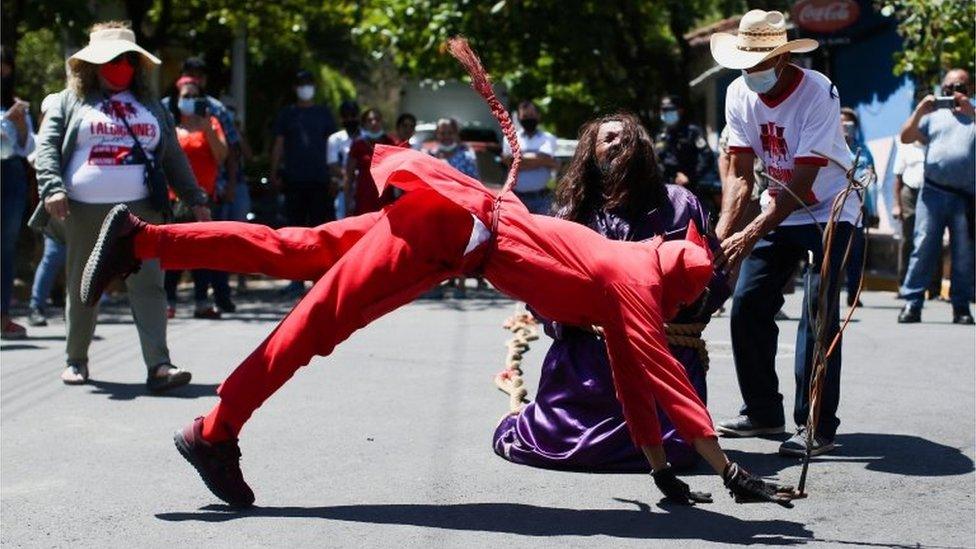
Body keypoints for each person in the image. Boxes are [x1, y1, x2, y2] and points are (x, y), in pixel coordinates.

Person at [82, 39, 797, 510]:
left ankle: (146, 240)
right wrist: (730, 473)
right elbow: (668, 381)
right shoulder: (637, 283)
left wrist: (663, 474)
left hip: (454, 218)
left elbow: (640, 384)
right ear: (679, 280)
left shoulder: (629, 277)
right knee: (314, 324)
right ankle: (214, 428)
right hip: (450, 232)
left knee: (293, 247)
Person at [493, 113, 730, 472]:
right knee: (555, 441)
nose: (618, 143)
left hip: (663, 349)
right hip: (589, 357)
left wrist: (672, 310)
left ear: (643, 149)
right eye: (609, 138)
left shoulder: (680, 204)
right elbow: (543, 286)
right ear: (591, 152)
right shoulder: (572, 212)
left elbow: (710, 278)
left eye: (626, 137)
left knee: (678, 445)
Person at [29, 22, 209, 389]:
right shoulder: (69, 101)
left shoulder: (151, 106)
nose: (121, 66)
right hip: (83, 209)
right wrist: (52, 188)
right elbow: (46, 148)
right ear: (92, 65)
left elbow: (172, 155)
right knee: (84, 286)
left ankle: (160, 366)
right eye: (112, 59)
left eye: (128, 59)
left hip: (142, 211)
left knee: (149, 285)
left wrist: (196, 198)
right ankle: (76, 360)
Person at [709, 10, 856, 457]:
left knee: (818, 315)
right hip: (778, 208)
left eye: (759, 63)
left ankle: (815, 424)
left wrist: (750, 232)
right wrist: (721, 236)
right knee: (748, 305)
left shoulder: (817, 91)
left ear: (782, 59)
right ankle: (762, 411)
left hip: (831, 208)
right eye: (745, 64)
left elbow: (805, 180)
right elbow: (738, 174)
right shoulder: (738, 93)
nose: (751, 73)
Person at [163, 57, 242, 313]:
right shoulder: (168, 121)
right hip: (174, 199)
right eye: (185, 95)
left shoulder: (213, 118)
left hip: (206, 197)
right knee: (175, 252)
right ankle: (168, 302)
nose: (189, 99)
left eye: (194, 95)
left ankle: (202, 301)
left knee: (204, 251)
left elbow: (224, 155)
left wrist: (207, 127)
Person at [897, 69, 975, 324]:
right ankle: (912, 303)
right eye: (949, 87)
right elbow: (906, 136)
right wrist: (920, 109)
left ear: (970, 89)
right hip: (932, 193)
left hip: (965, 197)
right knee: (923, 247)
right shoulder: (934, 116)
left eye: (960, 87)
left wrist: (971, 113)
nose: (954, 92)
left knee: (963, 253)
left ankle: (961, 307)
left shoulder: (974, 115)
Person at [271, 69, 337, 295]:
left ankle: (319, 277)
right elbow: (279, 144)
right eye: (301, 83)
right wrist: (273, 172)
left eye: (308, 83)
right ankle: (296, 278)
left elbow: (332, 145)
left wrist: (334, 175)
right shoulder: (287, 114)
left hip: (320, 179)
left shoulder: (323, 113)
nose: (304, 87)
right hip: (294, 180)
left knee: (320, 230)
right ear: (295, 88)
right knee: (294, 231)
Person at [1, 45, 35, 339]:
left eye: (4, 65)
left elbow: (27, 148)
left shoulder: (15, 104)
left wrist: (21, 125)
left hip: (11, 174)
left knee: (6, 248)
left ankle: (3, 316)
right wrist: (4, 121)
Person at [429, 117, 482, 296]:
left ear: (456, 134)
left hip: (461, 208)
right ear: (437, 134)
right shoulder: (430, 156)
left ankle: (460, 284)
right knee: (437, 247)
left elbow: (474, 183)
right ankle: (436, 284)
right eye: (442, 133)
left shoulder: (466, 156)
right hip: (436, 209)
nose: (445, 137)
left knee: (461, 247)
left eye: (449, 133)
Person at [27, 93, 66, 328]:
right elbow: (35, 160)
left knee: (77, 259)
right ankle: (35, 305)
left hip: (77, 205)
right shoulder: (42, 140)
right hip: (52, 208)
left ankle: (75, 309)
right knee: (52, 256)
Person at [891, 139, 942, 295]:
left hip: (931, 193)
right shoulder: (906, 146)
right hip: (910, 195)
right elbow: (898, 179)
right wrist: (897, 205)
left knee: (933, 238)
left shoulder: (936, 144)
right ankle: (904, 284)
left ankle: (934, 287)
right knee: (908, 239)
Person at [654, 95, 717, 218]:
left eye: (670, 109)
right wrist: (673, 174)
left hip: (691, 187)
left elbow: (707, 156)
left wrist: (690, 177)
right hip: (667, 190)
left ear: (680, 110)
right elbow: (657, 161)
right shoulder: (661, 136)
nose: (666, 113)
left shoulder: (692, 132)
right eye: (664, 110)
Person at [839, 107, 876, 307]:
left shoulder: (863, 149)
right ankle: (828, 291)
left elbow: (871, 173)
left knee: (855, 253)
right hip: (833, 207)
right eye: (841, 123)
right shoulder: (830, 145)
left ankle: (853, 293)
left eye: (849, 124)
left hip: (857, 207)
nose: (845, 128)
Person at [502, 100, 558, 214]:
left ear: (538, 116)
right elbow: (509, 161)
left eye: (531, 115)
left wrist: (519, 160)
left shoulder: (548, 138)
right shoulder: (510, 138)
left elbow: (547, 159)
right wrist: (541, 160)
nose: (528, 119)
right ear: (519, 117)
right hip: (517, 199)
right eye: (525, 116)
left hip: (542, 199)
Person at [344, 108, 402, 215]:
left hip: (386, 200)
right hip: (363, 201)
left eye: (377, 119)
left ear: (382, 122)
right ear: (364, 124)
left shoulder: (392, 143)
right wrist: (348, 203)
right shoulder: (358, 145)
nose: (374, 123)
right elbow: (349, 177)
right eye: (369, 120)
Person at [327, 100, 361, 219]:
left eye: (353, 115)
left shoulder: (366, 138)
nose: (350, 119)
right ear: (341, 118)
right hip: (342, 191)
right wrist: (350, 176)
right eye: (346, 116)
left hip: (363, 190)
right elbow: (333, 165)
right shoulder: (334, 139)